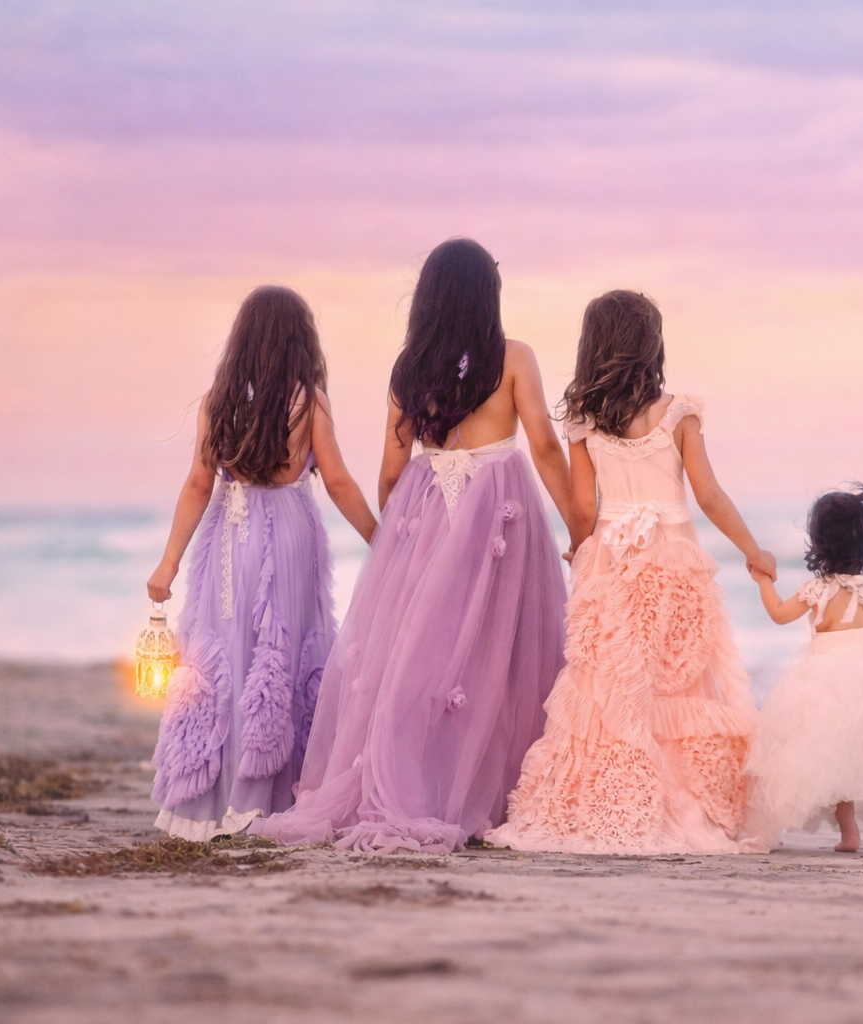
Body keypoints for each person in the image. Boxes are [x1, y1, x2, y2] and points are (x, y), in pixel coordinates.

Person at [252, 238, 574, 853]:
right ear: (488, 294)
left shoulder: (409, 368)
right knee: (497, 657)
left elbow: (392, 468)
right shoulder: (513, 358)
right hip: (499, 512)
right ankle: (483, 790)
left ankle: (423, 779)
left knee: (417, 654)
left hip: (424, 512)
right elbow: (545, 447)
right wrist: (580, 527)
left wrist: (392, 539)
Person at [488, 290, 773, 854]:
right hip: (673, 563)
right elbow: (709, 496)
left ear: (594, 347)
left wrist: (579, 548)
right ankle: (677, 799)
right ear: (652, 345)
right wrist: (751, 549)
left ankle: (612, 797)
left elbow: (586, 507)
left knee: (609, 687)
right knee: (678, 681)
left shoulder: (585, 421)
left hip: (612, 562)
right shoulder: (678, 415)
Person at [147, 285, 377, 841]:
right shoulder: (308, 399)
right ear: (300, 340)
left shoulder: (218, 400)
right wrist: (382, 538)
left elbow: (200, 483)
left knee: (225, 654)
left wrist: (168, 565)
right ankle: (273, 800)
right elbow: (339, 480)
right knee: (286, 655)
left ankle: (213, 802)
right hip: (291, 537)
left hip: (230, 537)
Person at [742, 484, 863, 854]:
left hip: (824, 678)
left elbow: (778, 615)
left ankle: (849, 835)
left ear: (818, 542)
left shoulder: (816, 590)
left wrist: (762, 580)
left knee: (836, 753)